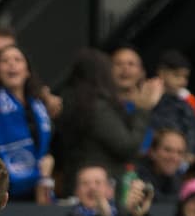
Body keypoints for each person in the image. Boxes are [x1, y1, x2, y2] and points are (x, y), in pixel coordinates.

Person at [55, 48, 162, 186]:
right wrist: (142, 110)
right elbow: (127, 146)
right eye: (116, 65)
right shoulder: (96, 106)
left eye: (131, 64)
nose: (124, 69)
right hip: (99, 186)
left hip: (95, 181)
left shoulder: (79, 101)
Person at [0, 44, 53, 203]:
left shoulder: (39, 106)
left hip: (36, 191)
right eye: (4, 61)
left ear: (27, 71)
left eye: (17, 59)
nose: (11, 64)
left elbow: (50, 147)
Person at [149, 49, 195, 162]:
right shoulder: (146, 98)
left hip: (177, 160)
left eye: (185, 77)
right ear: (161, 73)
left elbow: (192, 129)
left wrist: (191, 152)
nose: (182, 82)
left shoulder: (187, 102)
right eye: (177, 75)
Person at [134, 128, 188, 198]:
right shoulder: (135, 178)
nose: (174, 157)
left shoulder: (177, 181)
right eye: (168, 150)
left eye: (180, 152)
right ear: (152, 152)